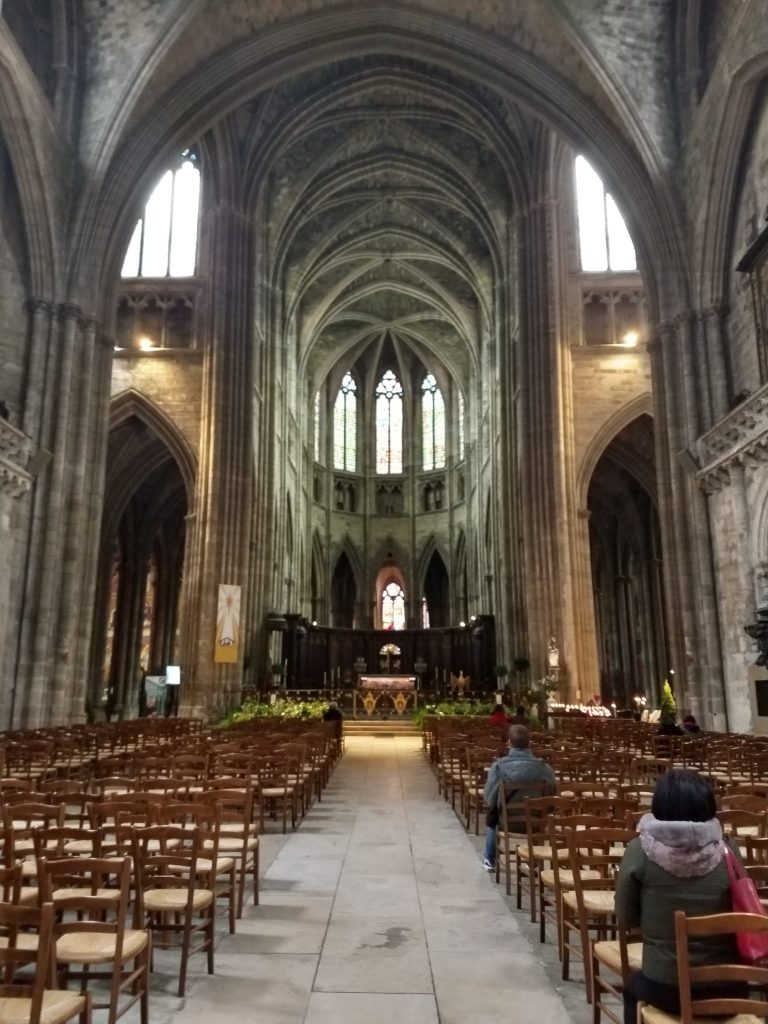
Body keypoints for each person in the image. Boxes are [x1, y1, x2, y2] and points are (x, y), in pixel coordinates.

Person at [616, 770, 745, 1024]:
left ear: (659, 805)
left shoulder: (640, 850)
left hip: (666, 985)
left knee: (631, 989)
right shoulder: (728, 849)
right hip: (727, 986)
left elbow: (625, 916)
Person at [481, 724, 555, 871]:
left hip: (507, 822)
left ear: (509, 743)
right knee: (543, 813)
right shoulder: (544, 768)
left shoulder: (499, 767)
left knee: (493, 813)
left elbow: (489, 797)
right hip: (536, 822)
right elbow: (552, 795)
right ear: (530, 743)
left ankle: (490, 859)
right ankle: (534, 860)